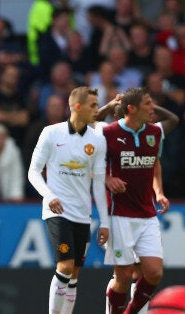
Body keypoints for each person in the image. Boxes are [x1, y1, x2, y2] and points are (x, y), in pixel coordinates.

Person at [27, 87, 109, 314]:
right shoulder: (51, 133)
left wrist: (104, 222)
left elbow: (98, 184)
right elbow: (33, 172)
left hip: (82, 214)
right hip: (57, 211)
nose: (97, 109)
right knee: (64, 266)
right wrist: (49, 195)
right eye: (93, 105)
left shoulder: (97, 141)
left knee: (74, 274)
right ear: (78, 107)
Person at [103, 88, 170, 314]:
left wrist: (158, 192)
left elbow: (155, 163)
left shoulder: (154, 132)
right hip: (119, 213)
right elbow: (91, 166)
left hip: (147, 213)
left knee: (154, 272)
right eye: (148, 104)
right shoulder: (108, 133)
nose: (153, 108)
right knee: (123, 276)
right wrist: (108, 178)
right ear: (131, 109)